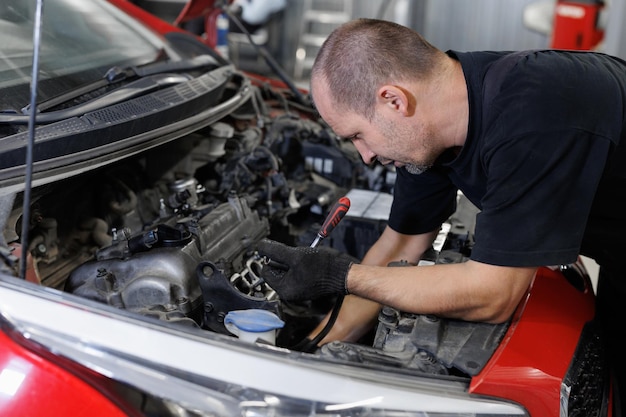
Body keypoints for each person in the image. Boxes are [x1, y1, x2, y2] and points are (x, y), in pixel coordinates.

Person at [257, 18, 626, 412]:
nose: (364, 156)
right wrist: (312, 348)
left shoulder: (533, 110)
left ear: (394, 101)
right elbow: (400, 242)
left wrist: (340, 275)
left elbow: (491, 295)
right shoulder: (434, 125)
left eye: (357, 136)